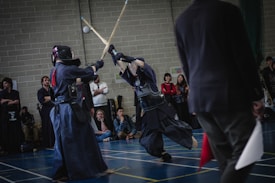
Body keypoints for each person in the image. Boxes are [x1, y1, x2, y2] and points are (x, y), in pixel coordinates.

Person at [175, 0, 265, 183]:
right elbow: (243, 55)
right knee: (247, 149)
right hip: (227, 94)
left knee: (226, 158)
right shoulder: (228, 11)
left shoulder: (181, 21)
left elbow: (187, 66)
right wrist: (256, 94)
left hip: (200, 100)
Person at [108, 45, 197, 162]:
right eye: (130, 66)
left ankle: (189, 138)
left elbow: (141, 63)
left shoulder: (149, 76)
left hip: (159, 110)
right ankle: (162, 154)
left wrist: (127, 58)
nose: (131, 68)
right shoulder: (134, 81)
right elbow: (123, 68)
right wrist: (113, 53)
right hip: (148, 114)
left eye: (132, 66)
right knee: (147, 139)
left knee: (173, 128)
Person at [49, 45, 110, 181]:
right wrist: (97, 65)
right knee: (85, 138)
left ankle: (61, 173)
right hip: (68, 110)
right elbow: (87, 73)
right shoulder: (66, 70)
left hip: (59, 110)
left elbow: (79, 77)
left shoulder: (54, 70)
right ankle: (83, 171)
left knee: (62, 142)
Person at [0, 77, 24, 154]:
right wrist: (10, 101)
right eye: (3, 83)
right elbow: (2, 103)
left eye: (6, 83)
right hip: (5, 115)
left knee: (16, 130)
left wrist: (8, 102)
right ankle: (7, 148)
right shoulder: (2, 93)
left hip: (14, 114)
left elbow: (17, 102)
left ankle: (17, 146)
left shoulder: (15, 92)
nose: (4, 85)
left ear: (9, 83)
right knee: (6, 131)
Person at [37, 76, 55, 148]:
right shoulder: (40, 91)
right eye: (45, 80)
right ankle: (48, 144)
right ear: (42, 82)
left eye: (48, 80)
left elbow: (55, 98)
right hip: (46, 110)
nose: (47, 81)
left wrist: (48, 98)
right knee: (47, 126)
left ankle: (54, 143)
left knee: (53, 126)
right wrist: (50, 98)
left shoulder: (52, 90)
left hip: (53, 108)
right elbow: (42, 100)